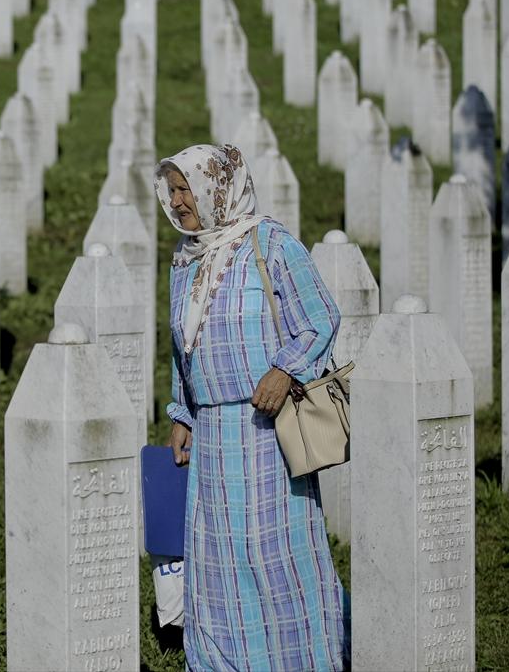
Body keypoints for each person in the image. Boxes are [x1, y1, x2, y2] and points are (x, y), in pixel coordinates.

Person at [155, 144, 349, 671]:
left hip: (267, 433)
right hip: (215, 436)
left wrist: (285, 368)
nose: (176, 202)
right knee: (216, 562)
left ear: (219, 188)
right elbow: (182, 346)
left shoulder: (271, 243)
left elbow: (321, 317)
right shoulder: (187, 259)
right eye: (170, 190)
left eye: (185, 188)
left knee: (275, 559)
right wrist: (181, 411)